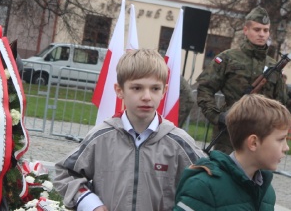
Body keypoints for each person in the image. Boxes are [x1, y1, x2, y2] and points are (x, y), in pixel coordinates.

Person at [53, 49, 205, 211]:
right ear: (120, 90)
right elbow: (66, 173)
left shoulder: (178, 142)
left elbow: (207, 184)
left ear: (164, 91)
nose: (147, 96)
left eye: (155, 89)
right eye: (137, 88)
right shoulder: (100, 137)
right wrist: (89, 202)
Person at [197, 6, 291, 154]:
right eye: (257, 29)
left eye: (265, 30)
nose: (262, 34)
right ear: (246, 30)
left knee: (258, 177)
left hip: (261, 136)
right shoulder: (228, 58)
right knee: (226, 173)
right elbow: (204, 87)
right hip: (230, 135)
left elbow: (282, 102)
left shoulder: (274, 66)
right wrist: (217, 116)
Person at [174, 94, 291, 211]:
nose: (286, 147)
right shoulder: (203, 187)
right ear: (253, 143)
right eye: (281, 139)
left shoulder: (266, 191)